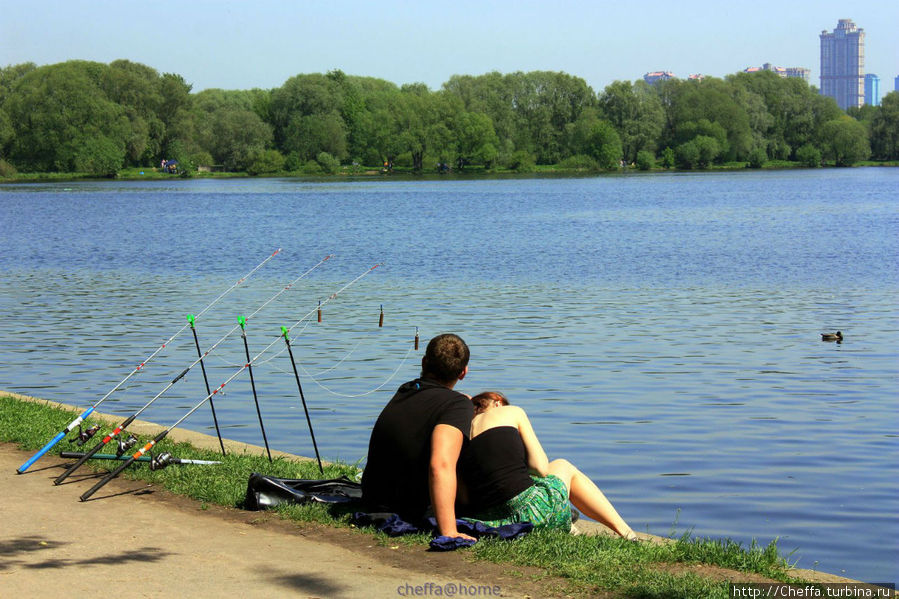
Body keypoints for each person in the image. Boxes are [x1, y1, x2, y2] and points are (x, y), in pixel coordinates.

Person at [459, 391, 637, 540]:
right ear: (497, 402)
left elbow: (465, 496)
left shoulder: (459, 430)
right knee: (563, 465)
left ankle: (567, 523)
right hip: (530, 516)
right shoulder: (512, 412)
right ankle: (627, 533)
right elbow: (541, 468)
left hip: (490, 523)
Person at [361, 333, 476, 541]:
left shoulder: (406, 390)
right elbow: (440, 465)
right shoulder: (457, 406)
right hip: (410, 509)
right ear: (463, 373)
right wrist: (449, 531)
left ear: (424, 362)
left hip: (374, 500)